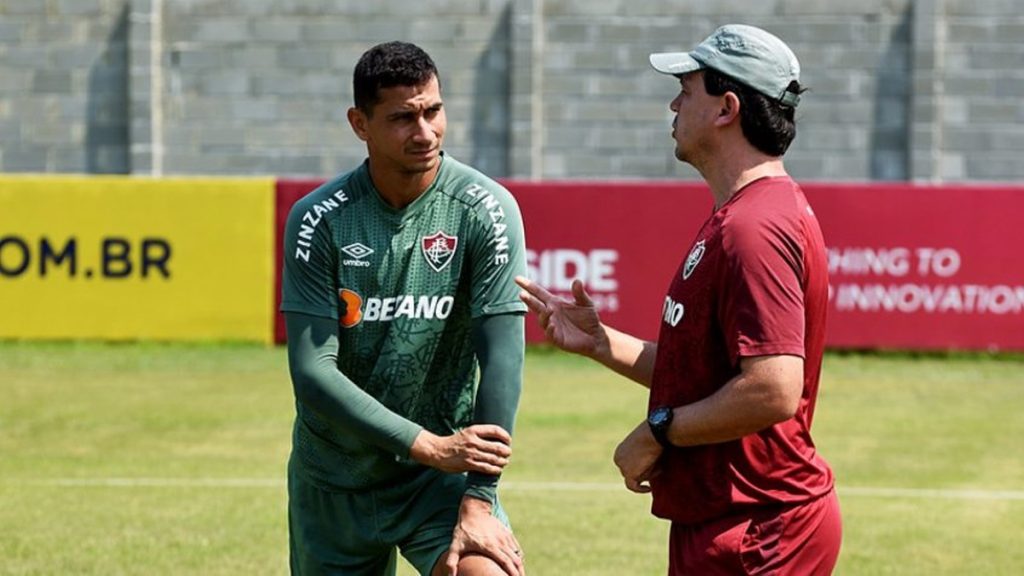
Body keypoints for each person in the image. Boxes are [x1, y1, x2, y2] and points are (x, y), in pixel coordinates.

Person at [516, 24, 841, 575]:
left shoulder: (754, 227)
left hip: (758, 529)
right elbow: (710, 379)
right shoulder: (742, 215)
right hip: (731, 518)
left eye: (687, 90)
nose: (673, 103)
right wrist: (601, 343)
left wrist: (656, 430)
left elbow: (772, 389)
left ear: (726, 108)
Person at [281, 41, 528, 576]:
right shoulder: (318, 219)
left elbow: (503, 359)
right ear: (359, 123)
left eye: (433, 111)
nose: (425, 133)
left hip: (438, 481)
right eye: (402, 118)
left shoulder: (484, 209)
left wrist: (479, 497)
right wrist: (427, 446)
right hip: (335, 475)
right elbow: (312, 371)